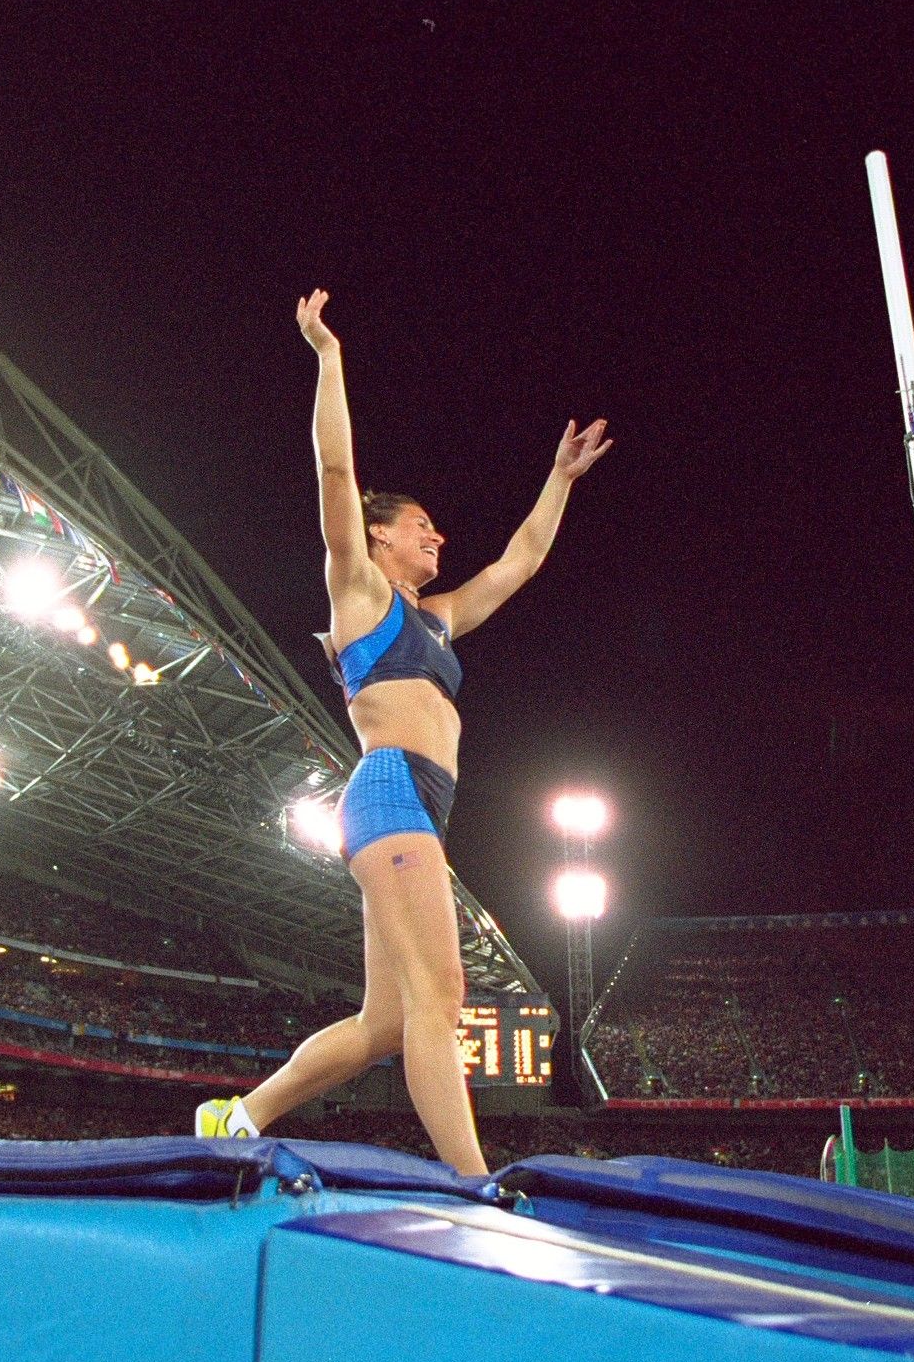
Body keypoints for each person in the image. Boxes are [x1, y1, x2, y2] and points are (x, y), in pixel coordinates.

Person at [196, 290, 610, 1174]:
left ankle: (238, 1116)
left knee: (387, 1020)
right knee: (443, 998)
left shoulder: (439, 618)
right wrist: (328, 355)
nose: (439, 537)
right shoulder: (359, 592)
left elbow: (521, 560)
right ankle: (475, 1184)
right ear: (380, 539)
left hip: (420, 806)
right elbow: (336, 475)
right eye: (421, 528)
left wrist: (560, 480)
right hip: (389, 788)